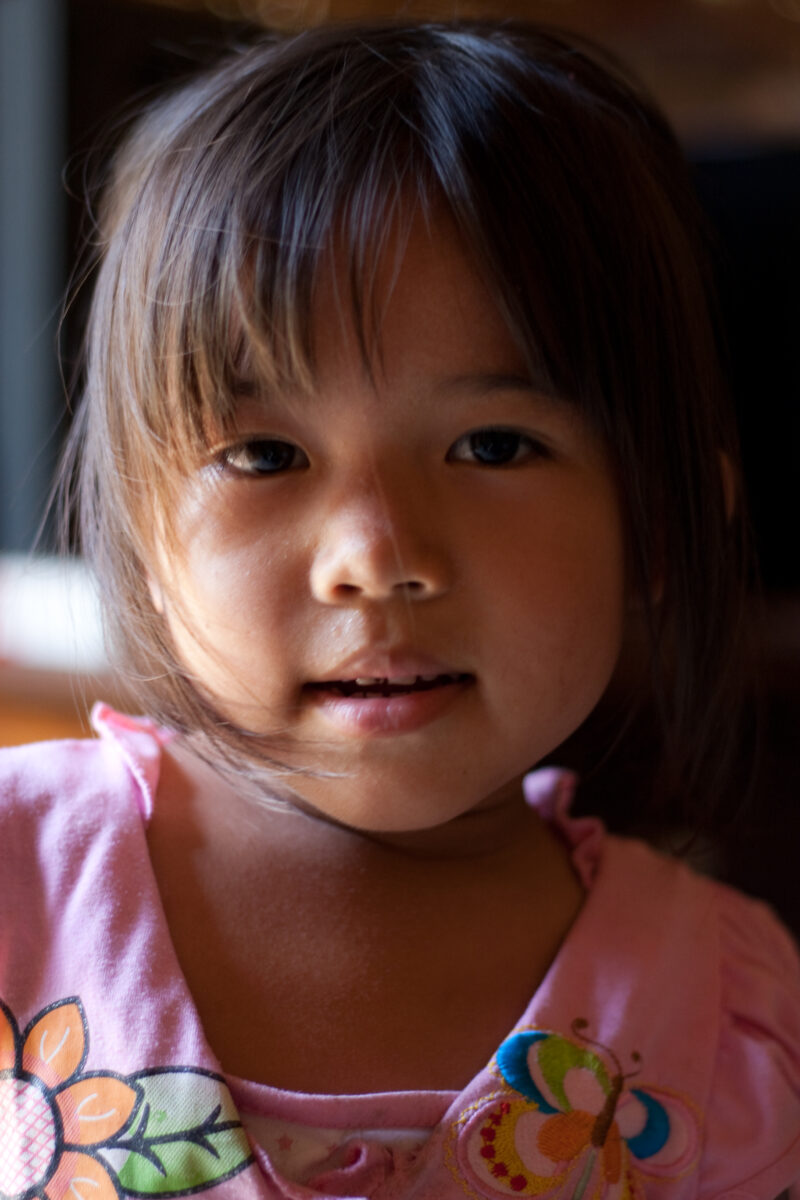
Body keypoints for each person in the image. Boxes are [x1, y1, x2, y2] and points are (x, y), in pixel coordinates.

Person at [1, 20, 798, 1200]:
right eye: (265, 455)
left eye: (490, 444)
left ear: (665, 523)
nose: (375, 559)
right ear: (136, 528)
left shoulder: (734, 1020)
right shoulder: (21, 883)